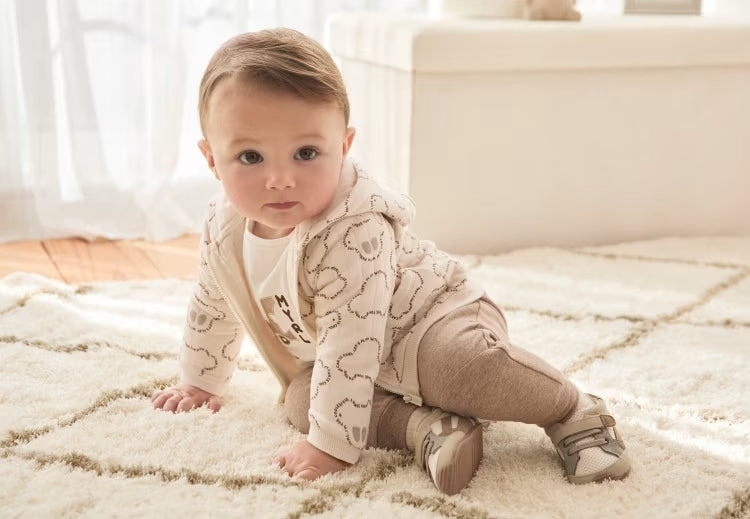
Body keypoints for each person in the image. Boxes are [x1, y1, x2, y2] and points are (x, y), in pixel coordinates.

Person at [150, 27, 630, 495]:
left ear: (344, 146)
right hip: (360, 354)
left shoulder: (354, 228)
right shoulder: (223, 227)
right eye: (251, 157)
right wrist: (201, 383)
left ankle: (571, 408)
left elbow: (352, 338)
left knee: (459, 369)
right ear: (212, 160)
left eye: (306, 153)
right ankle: (427, 428)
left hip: (433, 320)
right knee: (302, 399)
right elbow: (213, 304)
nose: (280, 179)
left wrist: (330, 448)